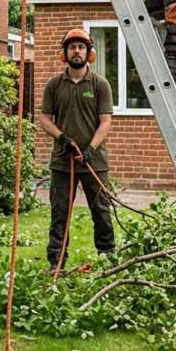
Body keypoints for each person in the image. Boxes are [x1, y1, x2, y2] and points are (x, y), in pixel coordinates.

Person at [38, 28, 114, 269]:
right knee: (59, 214)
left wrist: (90, 148)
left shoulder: (100, 84)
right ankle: (56, 263)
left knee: (101, 211)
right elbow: (44, 119)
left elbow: (105, 122)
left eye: (81, 47)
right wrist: (63, 140)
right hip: (63, 162)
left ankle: (108, 257)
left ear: (89, 53)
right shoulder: (54, 85)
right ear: (65, 53)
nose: (77, 51)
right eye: (72, 47)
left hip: (94, 162)